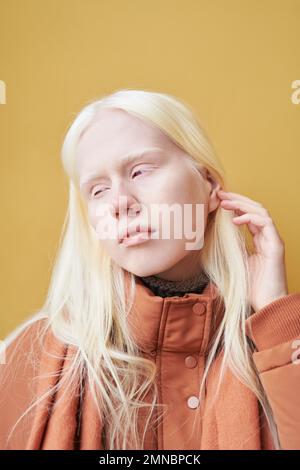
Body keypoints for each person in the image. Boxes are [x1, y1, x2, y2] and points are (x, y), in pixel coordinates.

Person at [1, 88, 299, 450]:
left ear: (208, 184)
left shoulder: (280, 340)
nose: (120, 202)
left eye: (140, 171)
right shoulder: (23, 358)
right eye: (97, 190)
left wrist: (276, 315)